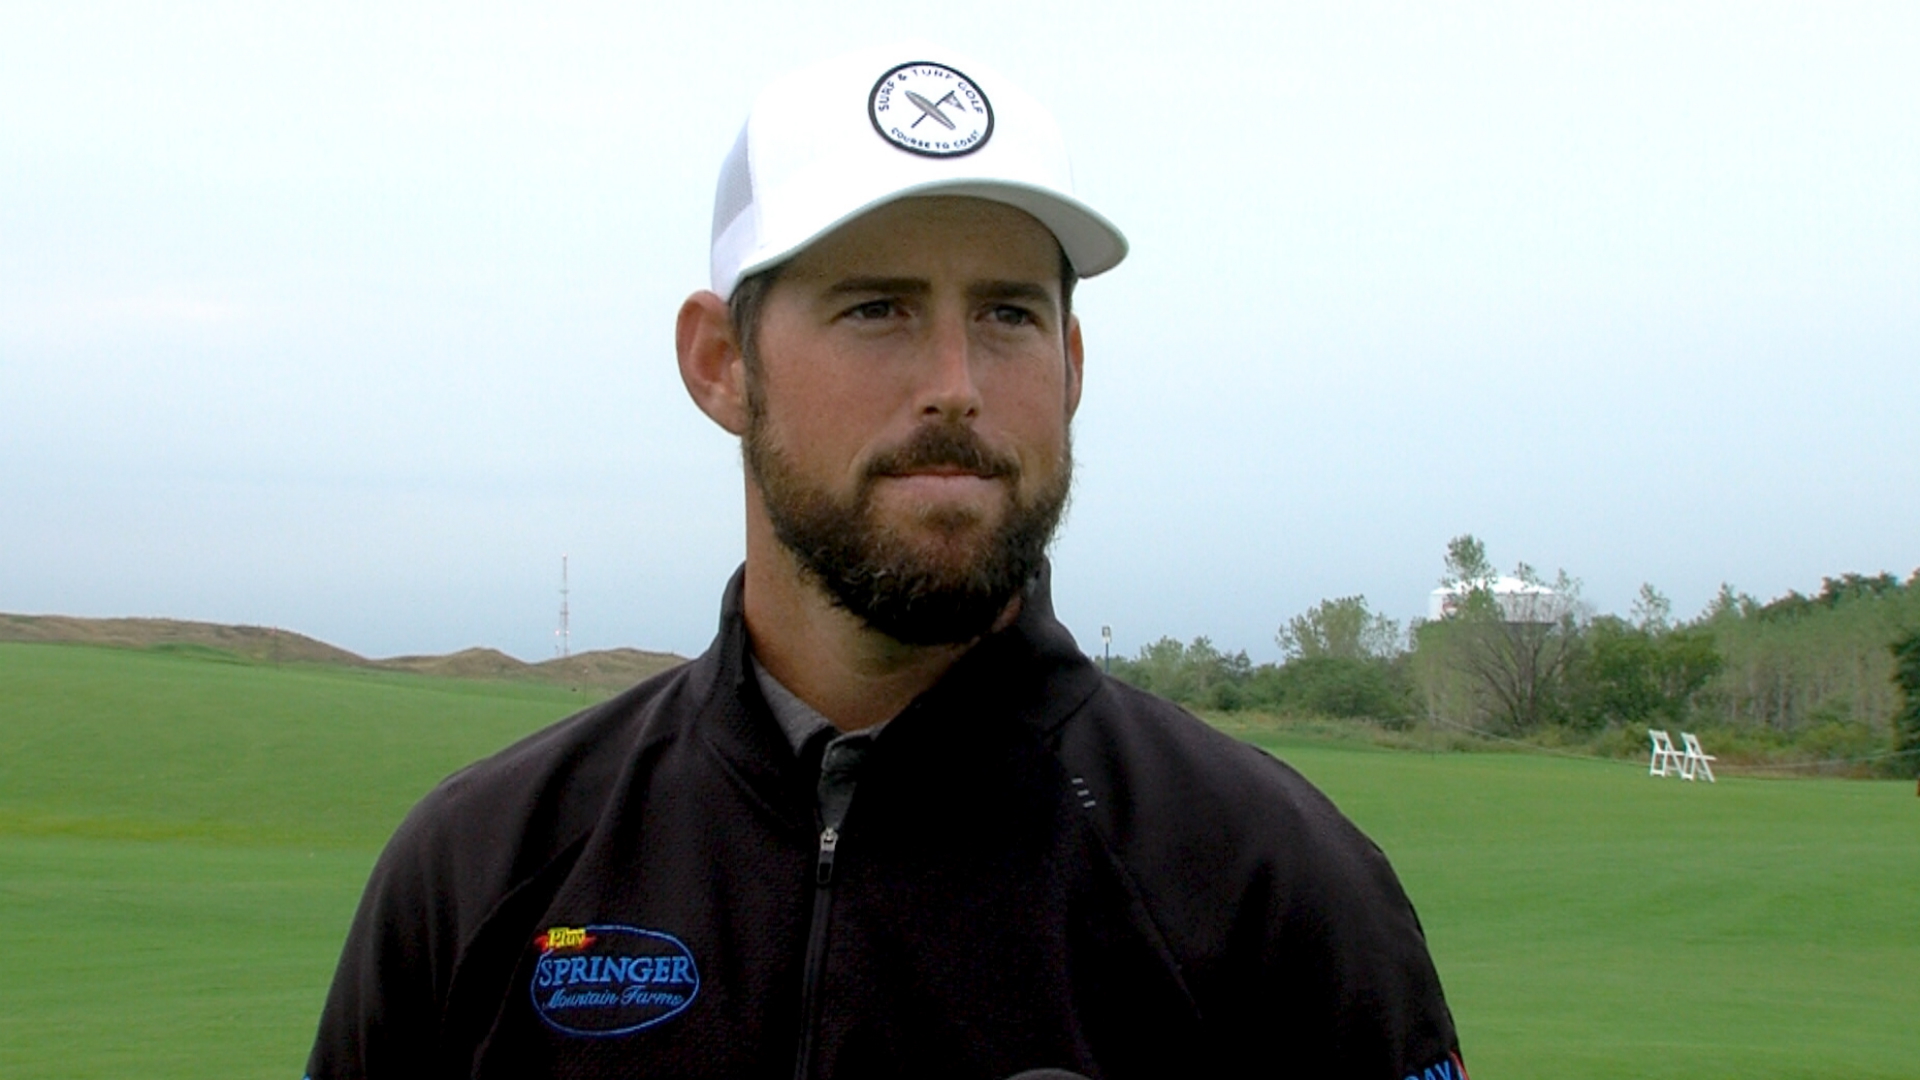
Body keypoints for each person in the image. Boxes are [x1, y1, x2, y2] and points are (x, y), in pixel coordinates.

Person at [306, 44, 1466, 1080]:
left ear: (1071, 364)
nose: (955, 384)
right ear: (720, 363)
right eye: (877, 308)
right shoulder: (484, 869)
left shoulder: (1274, 888)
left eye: (1007, 315)